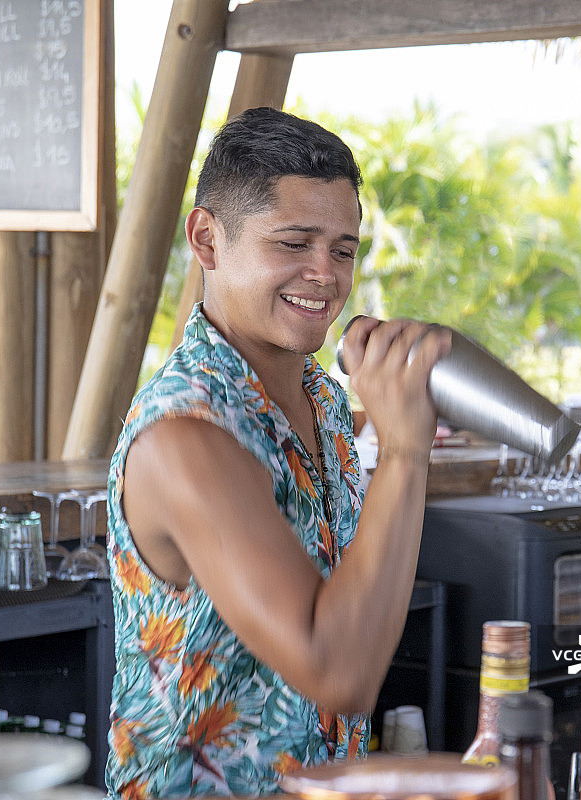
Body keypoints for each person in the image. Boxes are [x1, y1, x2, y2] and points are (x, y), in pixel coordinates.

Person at [105, 106, 451, 799]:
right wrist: (407, 452)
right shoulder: (185, 437)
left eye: (344, 249)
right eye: (294, 244)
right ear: (207, 239)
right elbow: (338, 670)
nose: (324, 275)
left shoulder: (323, 401)